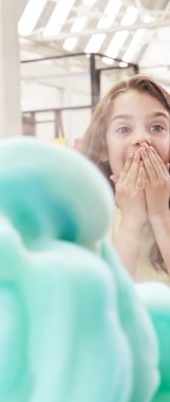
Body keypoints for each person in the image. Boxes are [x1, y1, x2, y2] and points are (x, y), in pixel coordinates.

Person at [81, 74, 170, 284]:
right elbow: (107, 303)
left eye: (157, 127)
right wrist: (132, 220)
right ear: (104, 147)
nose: (142, 139)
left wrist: (160, 214)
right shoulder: (88, 219)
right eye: (123, 129)